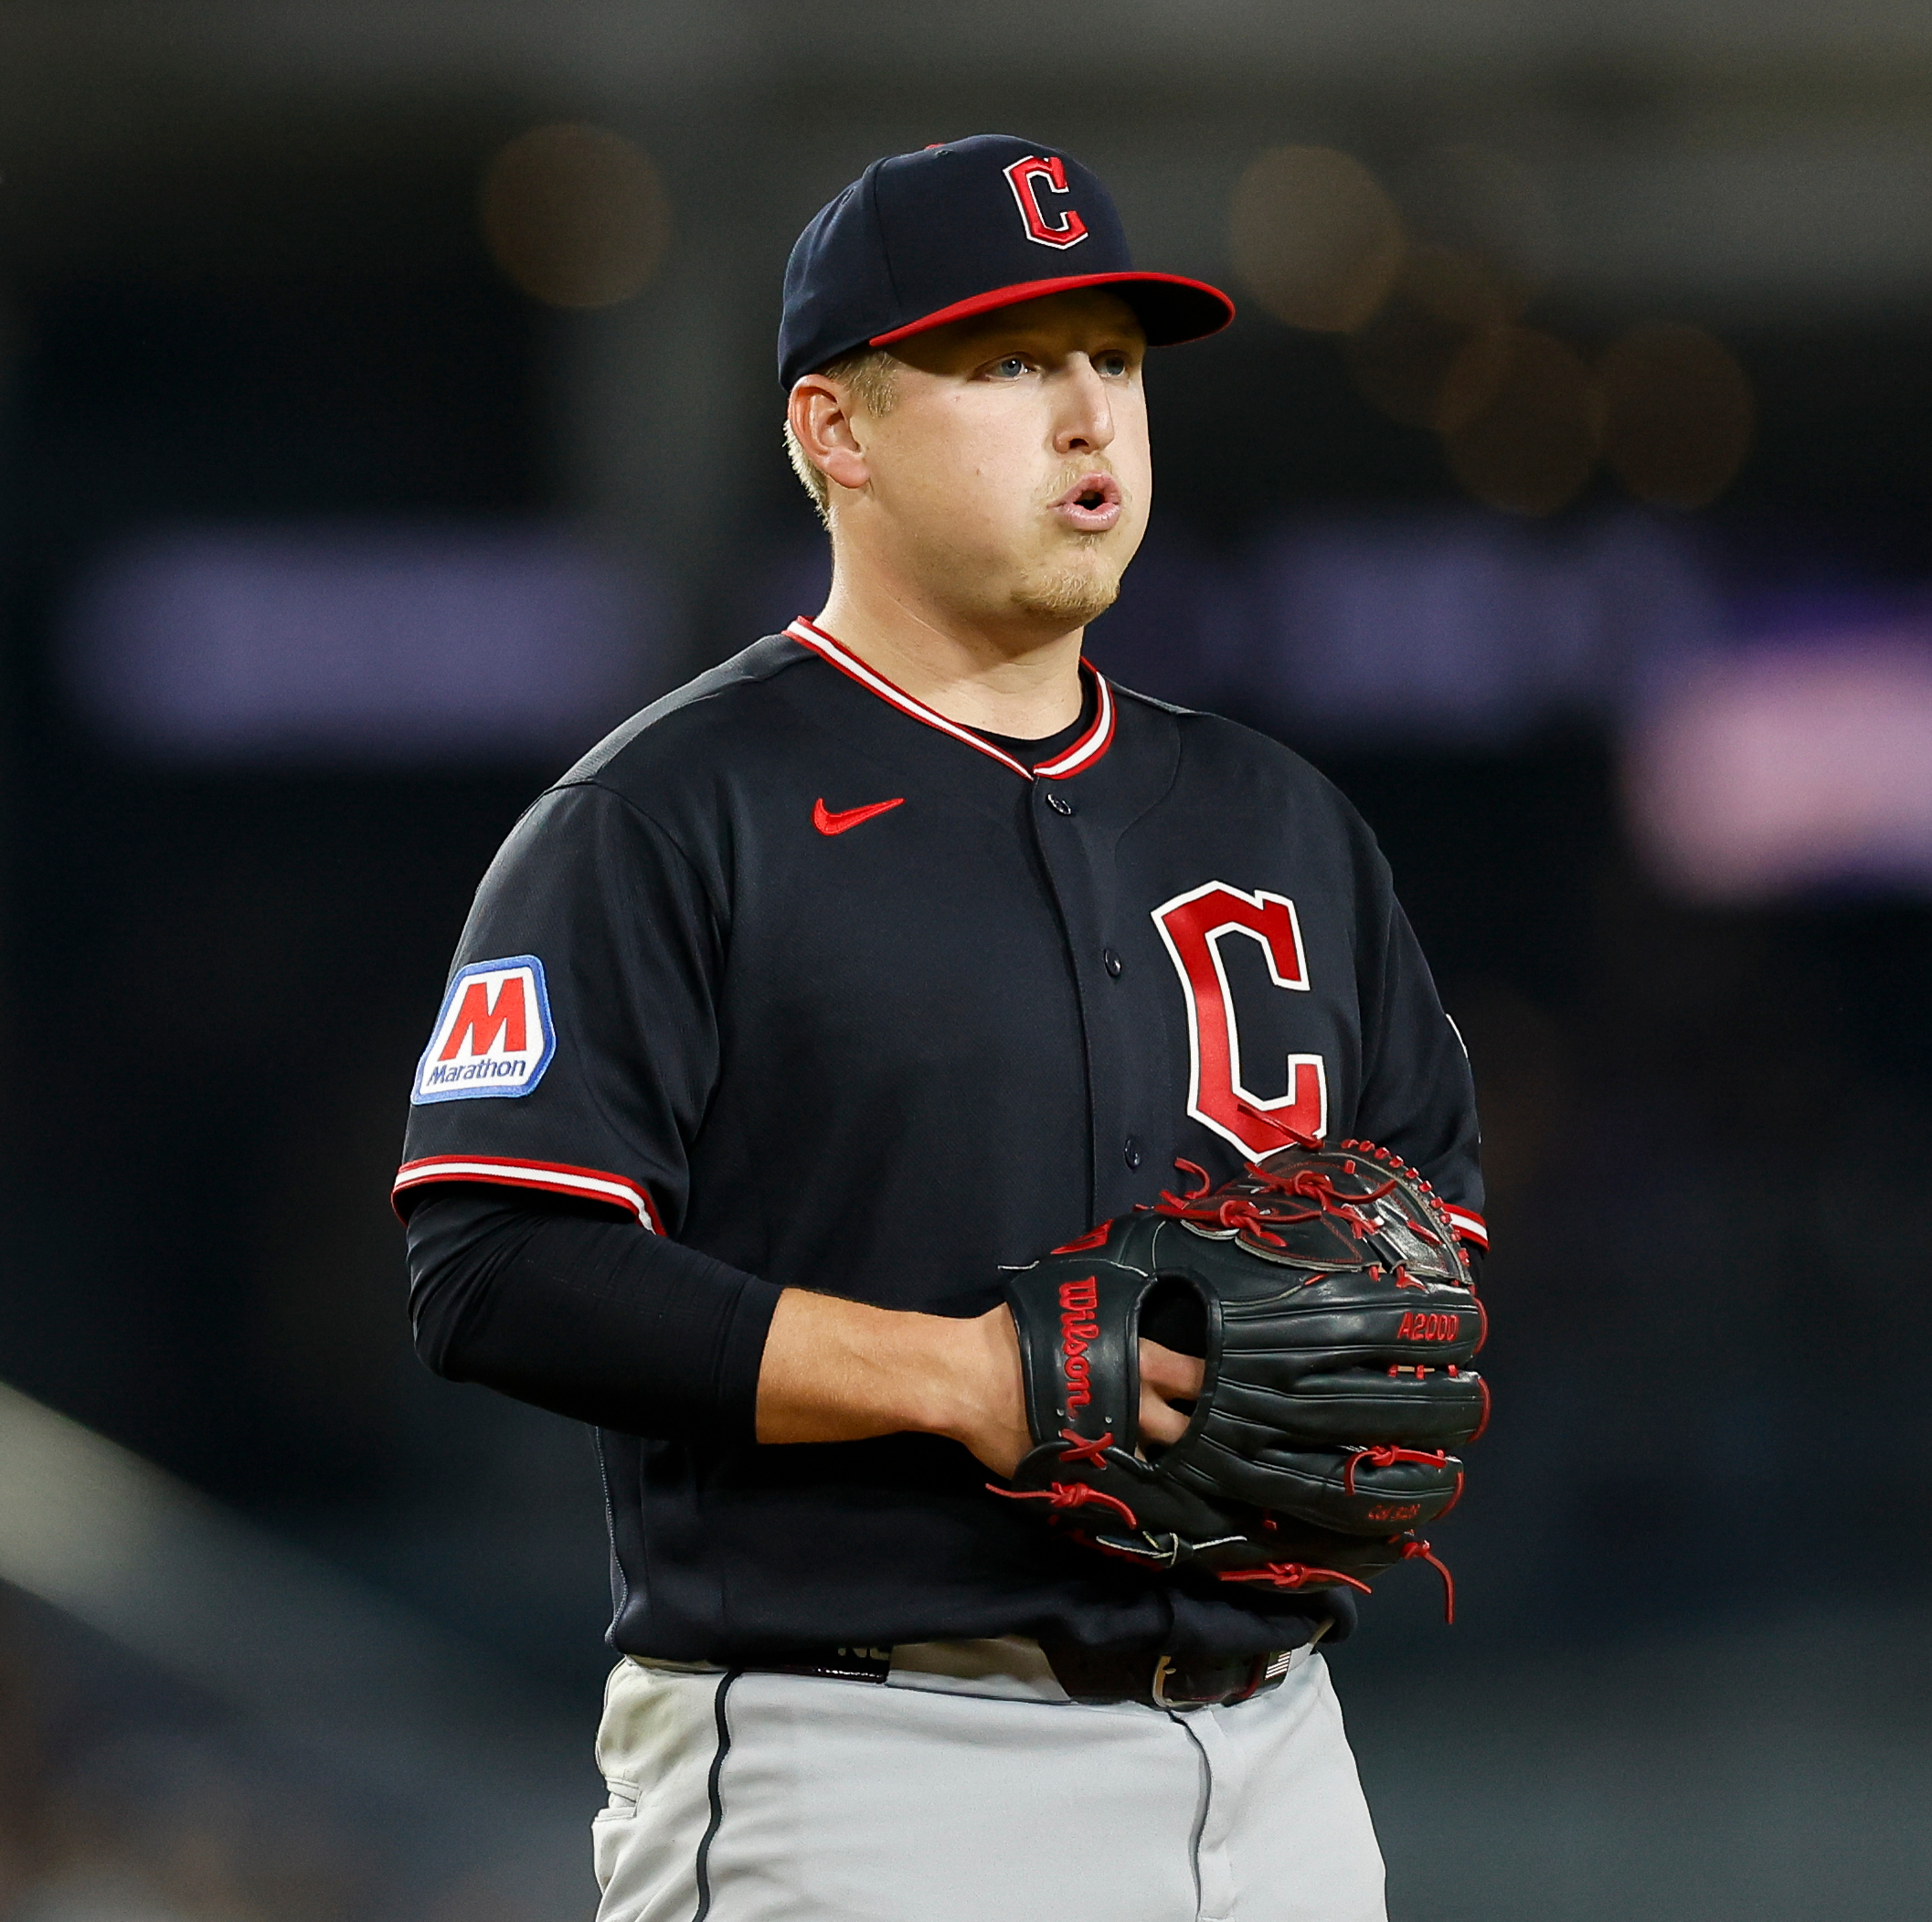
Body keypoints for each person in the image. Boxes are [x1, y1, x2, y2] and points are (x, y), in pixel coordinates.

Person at [398, 134, 1484, 1921]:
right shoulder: (667, 814)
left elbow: (1434, 1219)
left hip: (1279, 1756)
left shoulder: (1281, 819)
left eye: (1115, 365)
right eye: (1009, 365)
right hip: (870, 1758)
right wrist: (966, 1375)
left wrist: (1359, 1334)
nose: (1088, 420)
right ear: (836, 430)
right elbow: (495, 1260)